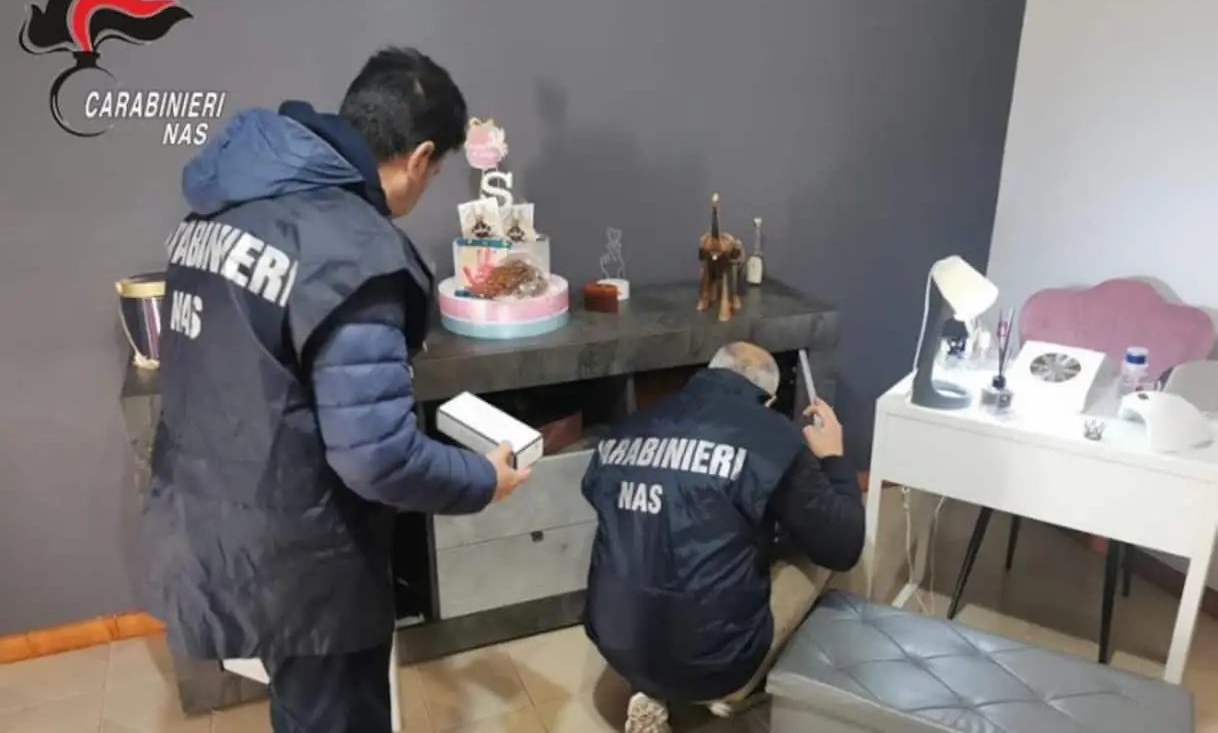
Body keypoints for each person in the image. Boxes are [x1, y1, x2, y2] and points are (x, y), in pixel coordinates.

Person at [143, 47, 531, 733]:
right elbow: (377, 456)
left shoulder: (221, 207)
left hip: (213, 517)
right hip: (303, 557)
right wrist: (480, 478)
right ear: (421, 158)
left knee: (302, 705)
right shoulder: (353, 248)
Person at [581, 342, 866, 733]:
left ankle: (647, 686)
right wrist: (834, 456)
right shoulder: (774, 438)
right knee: (816, 546)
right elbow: (844, 546)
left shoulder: (626, 429)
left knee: (651, 536)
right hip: (716, 666)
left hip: (615, 646)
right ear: (769, 400)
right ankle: (748, 689)